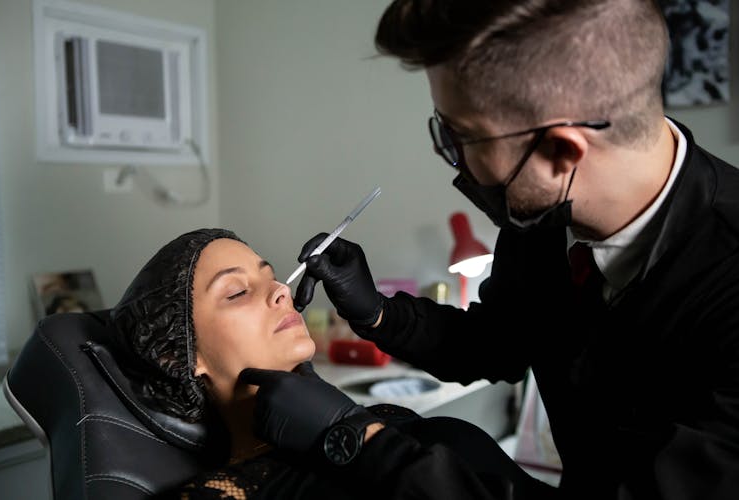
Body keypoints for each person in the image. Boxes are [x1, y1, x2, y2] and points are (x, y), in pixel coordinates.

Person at [239, 1, 739, 499]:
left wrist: (353, 439)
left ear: (560, 152)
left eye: (462, 137)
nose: (455, 160)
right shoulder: (545, 217)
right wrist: (378, 314)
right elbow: (499, 341)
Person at [111, 228, 549, 499]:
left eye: (271, 275)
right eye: (236, 292)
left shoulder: (373, 421)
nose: (282, 290)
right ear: (178, 357)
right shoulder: (227, 493)